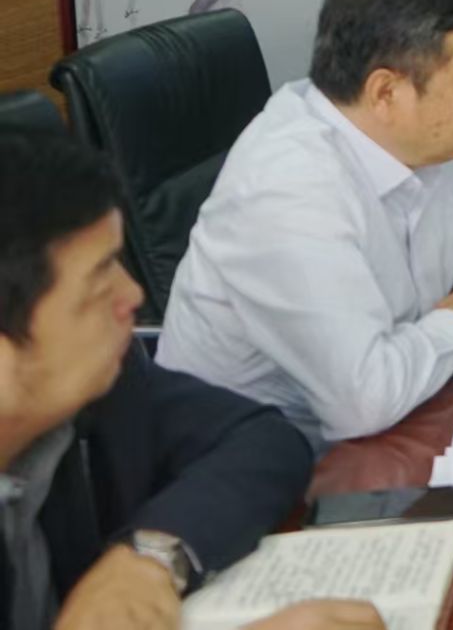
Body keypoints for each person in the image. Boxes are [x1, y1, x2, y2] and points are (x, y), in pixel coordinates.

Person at [157, 0, 453, 447]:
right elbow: (364, 399)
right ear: (386, 92)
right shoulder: (289, 189)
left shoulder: (426, 139)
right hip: (259, 463)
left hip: (405, 416)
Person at [0, 130, 379, 630]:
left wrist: (151, 556)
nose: (133, 295)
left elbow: (262, 439)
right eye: (100, 276)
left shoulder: (103, 384)